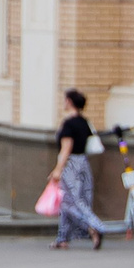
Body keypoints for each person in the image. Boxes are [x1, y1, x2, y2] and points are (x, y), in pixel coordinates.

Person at [47, 89, 102, 251]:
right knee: (75, 200)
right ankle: (62, 238)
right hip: (83, 163)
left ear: (69, 102)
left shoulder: (69, 124)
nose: (63, 103)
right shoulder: (84, 122)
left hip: (70, 164)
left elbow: (66, 148)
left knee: (68, 202)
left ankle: (93, 226)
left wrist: (58, 169)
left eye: (65, 100)